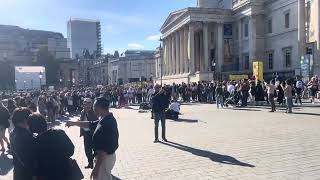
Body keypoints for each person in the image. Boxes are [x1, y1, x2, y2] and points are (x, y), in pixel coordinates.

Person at [67, 97, 119, 180]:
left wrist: (96, 168)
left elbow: (103, 152)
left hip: (104, 160)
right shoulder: (106, 118)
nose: (93, 109)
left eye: (94, 106)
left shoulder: (105, 125)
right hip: (107, 158)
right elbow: (90, 124)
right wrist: (73, 123)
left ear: (100, 108)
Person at [27, 113, 78, 180]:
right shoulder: (59, 132)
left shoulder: (35, 142)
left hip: (48, 175)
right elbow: (71, 150)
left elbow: (35, 163)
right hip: (65, 170)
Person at [10, 108, 35, 180]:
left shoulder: (13, 132)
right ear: (25, 120)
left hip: (18, 169)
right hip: (26, 172)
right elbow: (27, 158)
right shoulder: (24, 135)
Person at [80, 98, 98, 169]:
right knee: (87, 150)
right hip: (86, 133)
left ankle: (97, 163)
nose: (85, 104)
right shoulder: (82, 112)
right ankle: (90, 163)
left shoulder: (94, 112)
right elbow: (82, 121)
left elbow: (95, 122)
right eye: (84, 103)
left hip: (93, 133)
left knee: (95, 149)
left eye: (87, 103)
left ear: (91, 104)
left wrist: (88, 112)